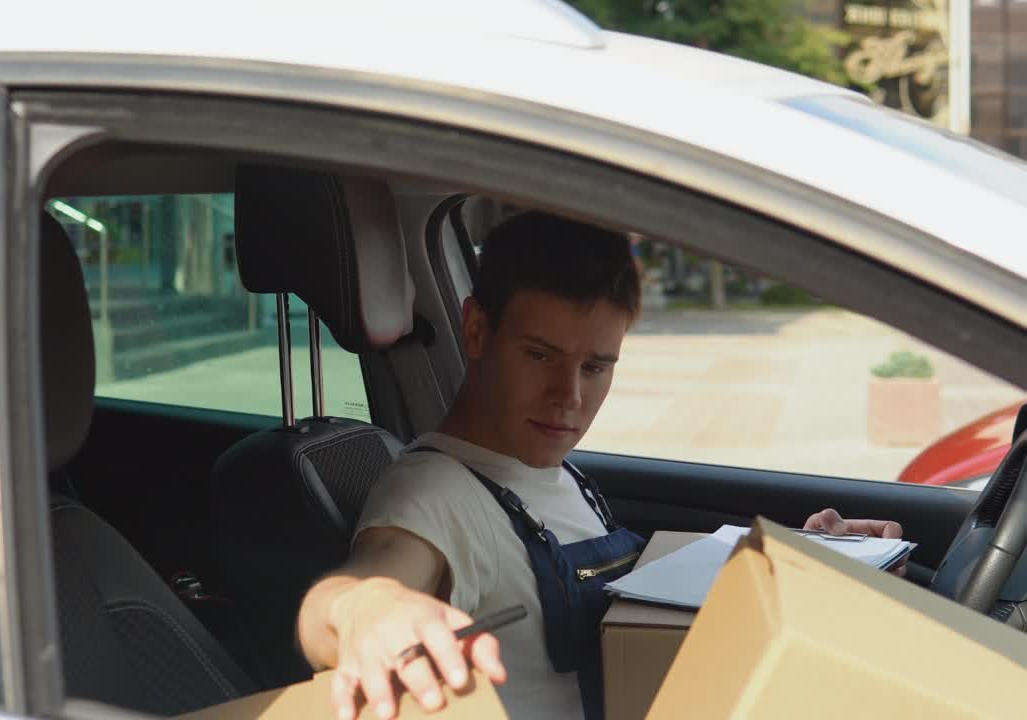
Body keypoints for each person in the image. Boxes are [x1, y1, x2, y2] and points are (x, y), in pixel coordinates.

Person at [295, 211, 905, 720]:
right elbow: (358, 587)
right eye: (540, 355)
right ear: (476, 330)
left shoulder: (558, 475)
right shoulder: (432, 493)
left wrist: (807, 554)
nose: (569, 396)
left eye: (594, 367)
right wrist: (364, 609)